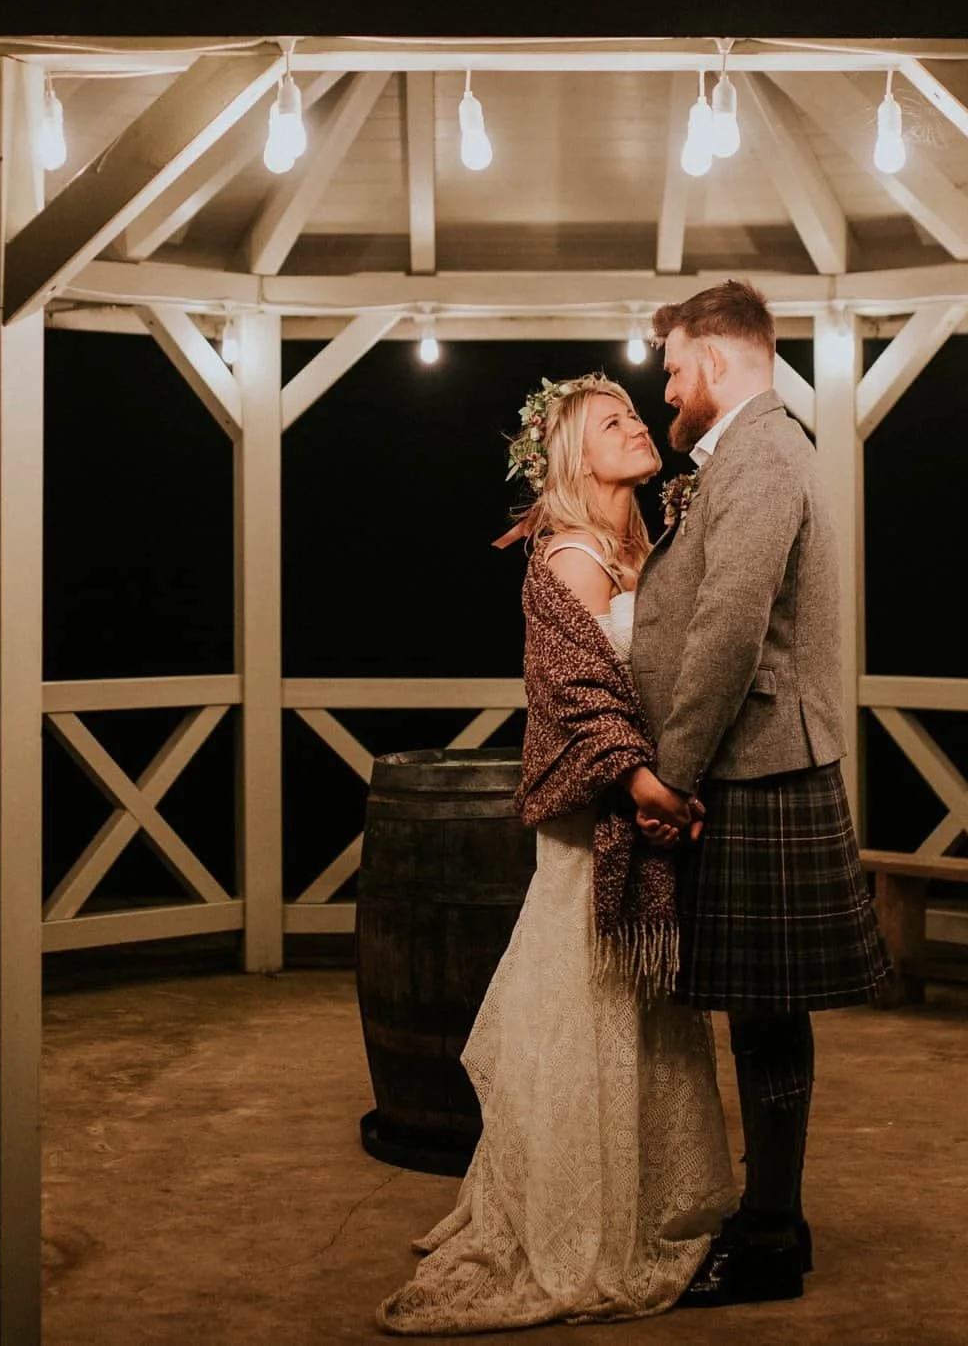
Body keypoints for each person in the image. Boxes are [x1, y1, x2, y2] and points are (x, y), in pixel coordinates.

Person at [377, 375, 736, 1334]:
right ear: (577, 457)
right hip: (594, 832)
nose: (636, 425)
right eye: (613, 421)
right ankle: (584, 1220)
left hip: (652, 807)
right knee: (588, 1011)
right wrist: (645, 787)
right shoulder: (571, 559)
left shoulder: (644, 548)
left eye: (634, 412)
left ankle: (653, 1197)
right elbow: (574, 696)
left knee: (640, 1017)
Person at [630, 279, 892, 1309]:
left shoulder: (765, 451)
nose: (664, 385)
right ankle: (774, 1213)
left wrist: (671, 774)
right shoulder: (748, 453)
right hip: (757, 761)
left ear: (715, 360)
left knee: (766, 1013)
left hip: (757, 763)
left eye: (671, 366)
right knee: (764, 1015)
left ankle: (772, 1233)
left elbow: (730, 630)